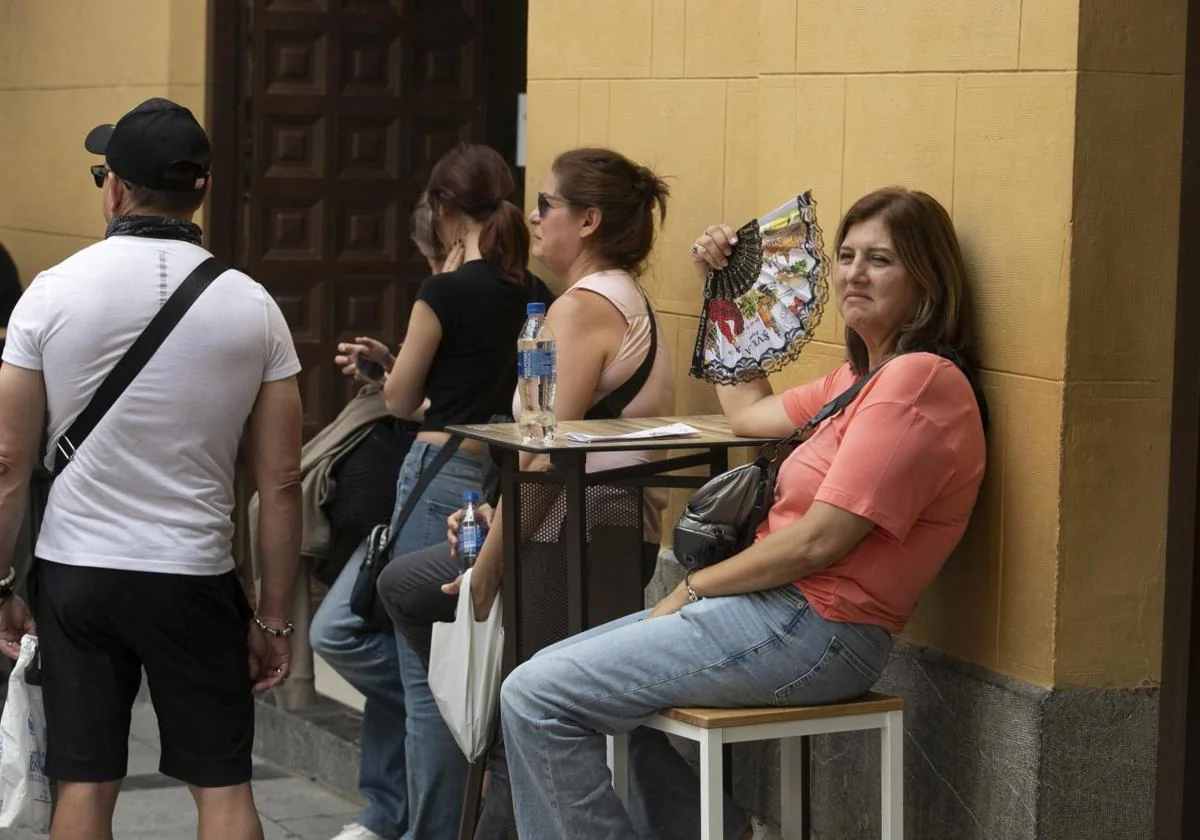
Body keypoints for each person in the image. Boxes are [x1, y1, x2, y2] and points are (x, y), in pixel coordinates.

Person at [498, 187, 988, 840]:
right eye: (845, 255)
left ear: (928, 281)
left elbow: (818, 544)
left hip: (817, 626)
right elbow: (748, 413)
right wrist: (723, 289)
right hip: (775, 614)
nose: (854, 274)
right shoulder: (857, 380)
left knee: (539, 696)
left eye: (881, 259)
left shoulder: (917, 381)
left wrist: (693, 587)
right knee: (534, 685)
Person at [0, 98, 303, 840]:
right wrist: (272, 615)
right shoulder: (253, 306)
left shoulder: (51, 292)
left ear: (115, 189)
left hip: (76, 573)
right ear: (200, 193)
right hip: (192, 575)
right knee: (224, 786)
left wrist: (3, 582)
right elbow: (281, 481)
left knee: (85, 781)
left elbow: (8, 460)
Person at [377, 146, 676, 838]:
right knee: (428, 607)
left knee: (521, 714)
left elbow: (541, 456)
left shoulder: (583, 309)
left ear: (590, 219)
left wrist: (488, 567)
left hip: (576, 539)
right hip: (590, 533)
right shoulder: (615, 298)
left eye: (547, 204)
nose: (534, 217)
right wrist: (488, 517)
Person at [310, 144, 539, 840]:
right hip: (497, 481)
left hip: (437, 478)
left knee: (402, 663)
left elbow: (407, 401)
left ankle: (439, 795)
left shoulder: (442, 291)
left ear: (442, 210)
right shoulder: (536, 292)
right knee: (430, 660)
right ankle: (406, 797)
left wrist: (393, 367)